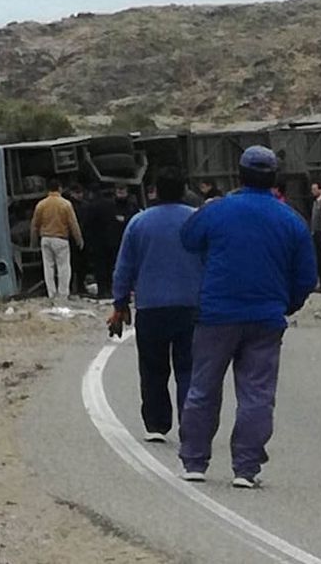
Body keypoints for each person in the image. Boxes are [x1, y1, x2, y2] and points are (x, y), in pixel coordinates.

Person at [178, 146, 316, 486]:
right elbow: (306, 276)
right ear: (274, 178)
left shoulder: (218, 210)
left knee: (203, 388)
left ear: (239, 175)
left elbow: (188, 238)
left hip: (216, 315)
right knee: (257, 394)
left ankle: (195, 461)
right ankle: (246, 467)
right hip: (266, 318)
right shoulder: (291, 220)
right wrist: (287, 304)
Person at [110, 168, 204, 443]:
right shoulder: (196, 220)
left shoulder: (139, 223)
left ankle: (156, 424)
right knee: (188, 368)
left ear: (156, 192)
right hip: (191, 306)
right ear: (184, 190)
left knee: (153, 368)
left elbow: (124, 267)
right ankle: (190, 422)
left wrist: (120, 302)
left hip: (151, 308)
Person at [30, 179, 84, 300]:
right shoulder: (65, 204)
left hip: (45, 239)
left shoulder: (41, 204)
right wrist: (79, 239)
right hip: (60, 239)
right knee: (63, 266)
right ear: (59, 188)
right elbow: (73, 224)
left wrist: (33, 242)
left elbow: (34, 225)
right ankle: (63, 294)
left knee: (48, 267)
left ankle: (52, 293)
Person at [65, 183, 90, 295]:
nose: (80, 195)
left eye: (80, 193)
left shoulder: (69, 205)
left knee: (75, 264)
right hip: (76, 238)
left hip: (73, 238)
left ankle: (74, 286)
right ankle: (77, 286)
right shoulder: (71, 206)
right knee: (76, 264)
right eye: (77, 193)